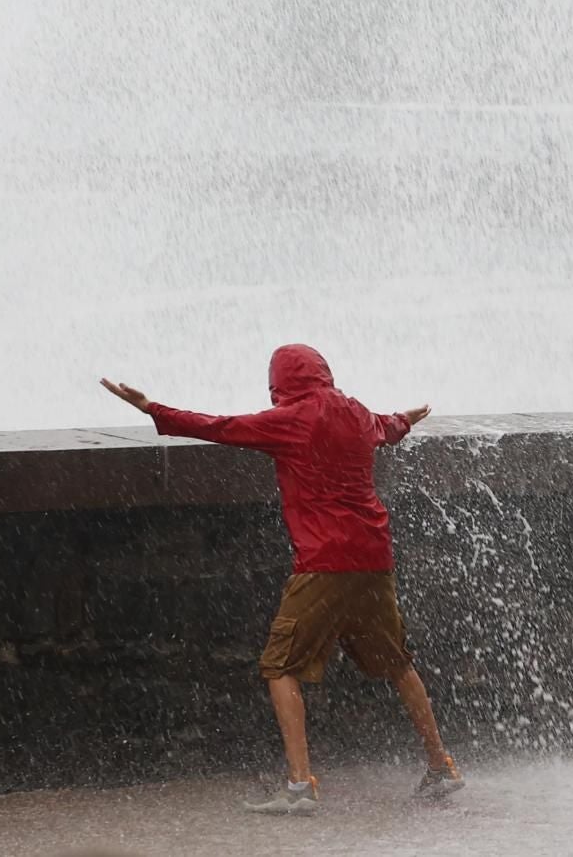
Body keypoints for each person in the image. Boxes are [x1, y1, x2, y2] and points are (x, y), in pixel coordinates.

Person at [100, 343, 463, 815]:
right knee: (397, 662)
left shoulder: (291, 420)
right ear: (323, 373)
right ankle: (441, 766)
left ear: (280, 383)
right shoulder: (354, 411)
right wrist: (405, 419)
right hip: (374, 557)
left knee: (279, 665)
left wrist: (152, 408)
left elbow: (222, 428)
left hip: (323, 563)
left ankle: (299, 785)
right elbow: (384, 427)